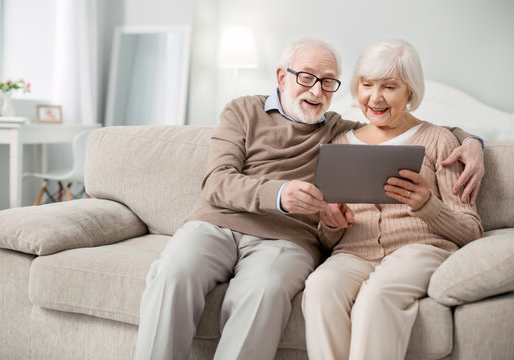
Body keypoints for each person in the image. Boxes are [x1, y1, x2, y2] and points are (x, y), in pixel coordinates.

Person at [135, 38, 484, 360]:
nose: (317, 90)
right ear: (281, 77)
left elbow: (407, 130)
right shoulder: (245, 111)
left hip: (287, 239)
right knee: (172, 274)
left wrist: (472, 142)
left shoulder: (337, 130)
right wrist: (282, 195)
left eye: (328, 81)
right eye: (306, 77)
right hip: (217, 224)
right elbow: (216, 182)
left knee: (264, 292)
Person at [301, 39, 484, 360]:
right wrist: (330, 223)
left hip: (420, 251)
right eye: (367, 85)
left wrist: (428, 206)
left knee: (377, 296)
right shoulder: (340, 144)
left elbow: (472, 232)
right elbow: (327, 239)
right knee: (319, 287)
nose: (375, 97)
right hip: (353, 254)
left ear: (409, 92)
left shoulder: (439, 140)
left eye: (389, 87)